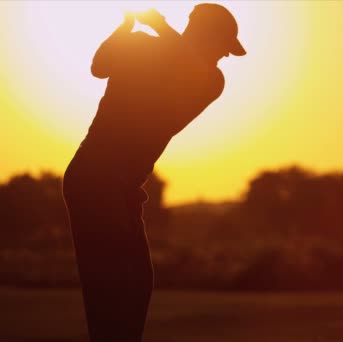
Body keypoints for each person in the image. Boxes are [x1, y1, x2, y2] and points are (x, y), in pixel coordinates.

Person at [62, 4, 246, 341]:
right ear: (207, 34)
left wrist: (158, 27)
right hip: (94, 177)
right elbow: (99, 67)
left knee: (136, 281)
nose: (225, 56)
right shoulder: (146, 46)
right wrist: (126, 30)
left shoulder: (211, 79)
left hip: (123, 187)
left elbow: (187, 67)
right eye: (224, 45)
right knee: (115, 284)